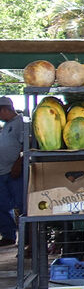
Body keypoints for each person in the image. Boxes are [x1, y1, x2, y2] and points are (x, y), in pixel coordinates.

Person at [0, 97, 23, 247]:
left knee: (21, 204)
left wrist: (18, 164)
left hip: (14, 171)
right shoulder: (6, 125)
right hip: (2, 172)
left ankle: (27, 238)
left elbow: (25, 146)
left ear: (4, 110)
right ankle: (8, 235)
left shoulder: (20, 123)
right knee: (2, 205)